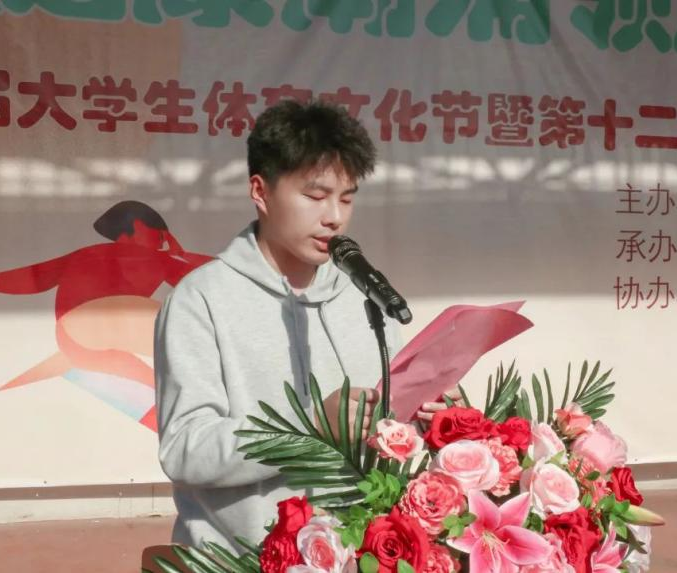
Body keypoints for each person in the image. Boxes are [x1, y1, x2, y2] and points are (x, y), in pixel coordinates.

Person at [153, 99, 460, 552]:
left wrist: (428, 415)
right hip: (245, 558)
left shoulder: (364, 294)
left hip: (360, 551)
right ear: (260, 191)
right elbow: (185, 449)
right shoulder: (200, 300)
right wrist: (309, 425)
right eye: (315, 197)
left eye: (347, 198)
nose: (334, 216)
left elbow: (387, 426)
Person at [0, 200, 211, 430]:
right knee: (189, 330)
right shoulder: (155, 259)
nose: (162, 242)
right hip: (95, 324)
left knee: (157, 398)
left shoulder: (85, 255)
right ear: (137, 226)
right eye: (160, 235)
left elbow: (31, 279)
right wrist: (181, 254)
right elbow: (215, 276)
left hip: (73, 342)